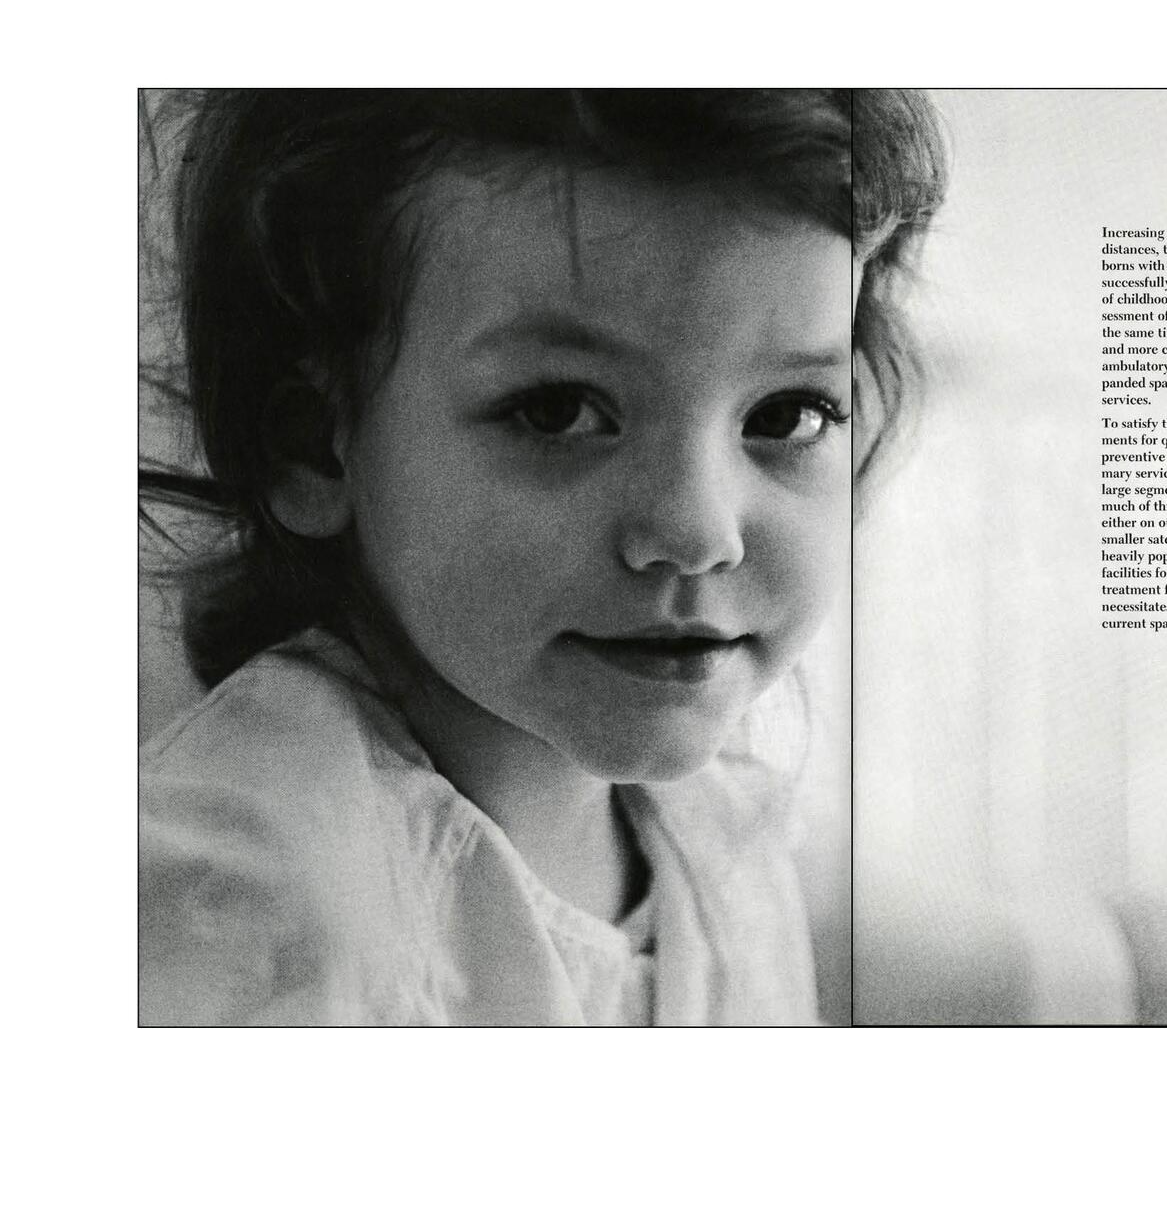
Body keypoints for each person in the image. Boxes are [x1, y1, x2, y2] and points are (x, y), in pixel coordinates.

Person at [138, 89, 948, 1025]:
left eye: (786, 416)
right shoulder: (241, 889)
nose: (697, 531)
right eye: (558, 410)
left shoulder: (730, 840)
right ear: (316, 443)